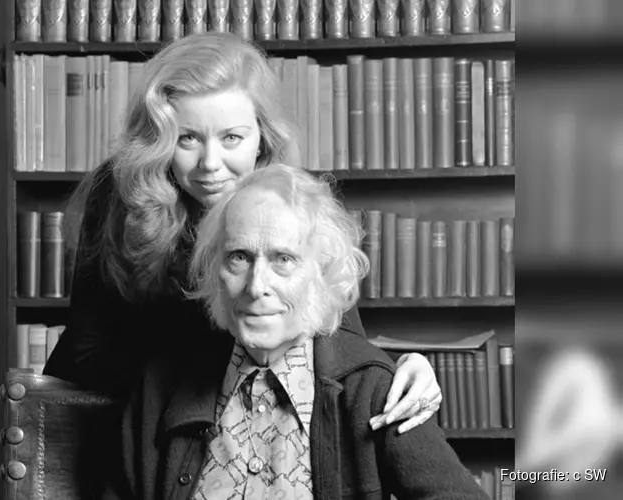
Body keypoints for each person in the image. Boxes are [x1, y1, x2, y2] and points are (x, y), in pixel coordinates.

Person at [44, 31, 441, 433]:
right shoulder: (120, 192)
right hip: (136, 426)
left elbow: (340, 341)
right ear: (159, 140)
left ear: (262, 139)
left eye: (231, 137)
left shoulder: (295, 200)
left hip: (257, 421)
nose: (210, 163)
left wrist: (399, 370)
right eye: (187, 138)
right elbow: (85, 354)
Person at [117, 164, 488, 500]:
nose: (256, 286)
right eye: (239, 257)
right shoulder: (159, 386)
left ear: (321, 273)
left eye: (283, 259)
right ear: (215, 269)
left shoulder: (372, 389)